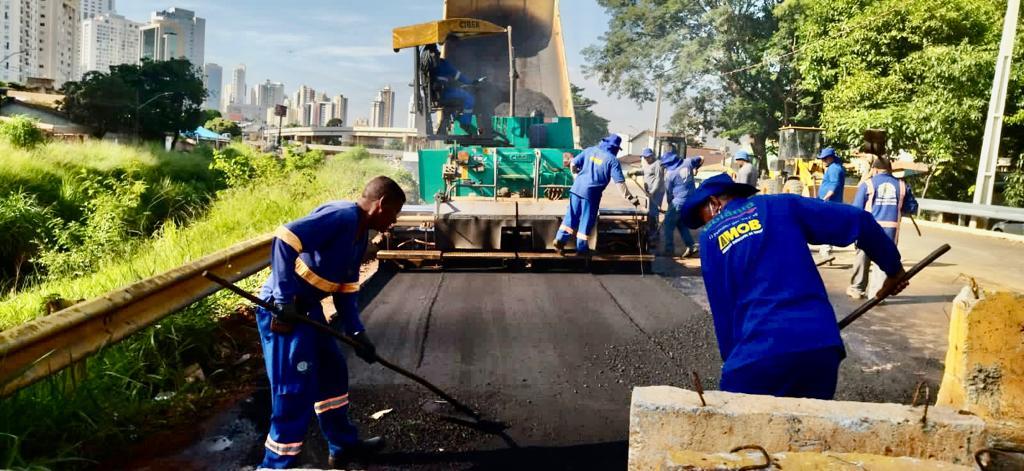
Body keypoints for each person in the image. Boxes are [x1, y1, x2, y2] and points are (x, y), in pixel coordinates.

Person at [679, 173, 908, 399]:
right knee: (807, 431)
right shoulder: (781, 205)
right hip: (819, 347)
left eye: (704, 218)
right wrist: (894, 270)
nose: (706, 224)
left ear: (714, 203)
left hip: (757, 357)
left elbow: (723, 309)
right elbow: (859, 220)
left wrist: (732, 361)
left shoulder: (710, 237)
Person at [256, 176, 406, 468]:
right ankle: (275, 465)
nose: (395, 219)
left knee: (333, 373)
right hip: (284, 314)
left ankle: (343, 446)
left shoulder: (360, 235)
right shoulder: (342, 216)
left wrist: (358, 333)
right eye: (395, 212)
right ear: (382, 204)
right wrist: (284, 299)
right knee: (293, 390)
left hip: (309, 313)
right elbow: (285, 237)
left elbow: (345, 292)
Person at [554, 135, 639, 255]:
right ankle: (581, 249)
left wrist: (576, 177)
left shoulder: (590, 150)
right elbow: (619, 183)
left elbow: (573, 164)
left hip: (576, 188)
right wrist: (631, 198)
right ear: (615, 148)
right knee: (586, 220)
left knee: (571, 216)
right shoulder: (612, 160)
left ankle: (560, 240)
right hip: (591, 194)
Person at [847, 157, 919, 299]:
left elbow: (856, 209)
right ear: (890, 170)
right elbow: (912, 207)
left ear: (875, 169)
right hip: (890, 231)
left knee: (863, 256)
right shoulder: (902, 185)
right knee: (885, 259)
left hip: (868, 229)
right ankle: (876, 293)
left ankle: (857, 289)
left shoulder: (868, 184)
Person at [422, 43, 484, 132]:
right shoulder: (443, 64)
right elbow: (458, 76)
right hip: (445, 93)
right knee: (469, 98)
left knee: (450, 107)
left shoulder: (428, 66)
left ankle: (444, 127)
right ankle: (465, 123)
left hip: (436, 95)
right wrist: (472, 82)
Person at [661, 146, 702, 257]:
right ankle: (691, 246)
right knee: (681, 224)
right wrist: (696, 168)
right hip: (691, 199)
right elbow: (701, 158)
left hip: (679, 202)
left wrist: (670, 206)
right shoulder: (688, 162)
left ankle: (669, 250)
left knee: (668, 225)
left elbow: (669, 193)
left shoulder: (670, 175)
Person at [817, 147, 846, 257]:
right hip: (829, 202)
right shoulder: (833, 167)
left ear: (830, 158)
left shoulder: (834, 169)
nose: (822, 161)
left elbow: (834, 184)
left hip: (829, 202)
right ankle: (825, 248)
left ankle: (826, 249)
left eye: (824, 159)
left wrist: (826, 197)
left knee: (826, 225)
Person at [640, 147, 665, 248]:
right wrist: (635, 172)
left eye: (647, 157)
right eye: (644, 157)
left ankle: (654, 236)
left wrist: (653, 192)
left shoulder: (658, 164)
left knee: (653, 213)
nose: (646, 159)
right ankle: (651, 232)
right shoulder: (647, 164)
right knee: (649, 212)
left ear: (652, 156)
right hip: (649, 192)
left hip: (657, 192)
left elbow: (658, 179)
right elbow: (645, 172)